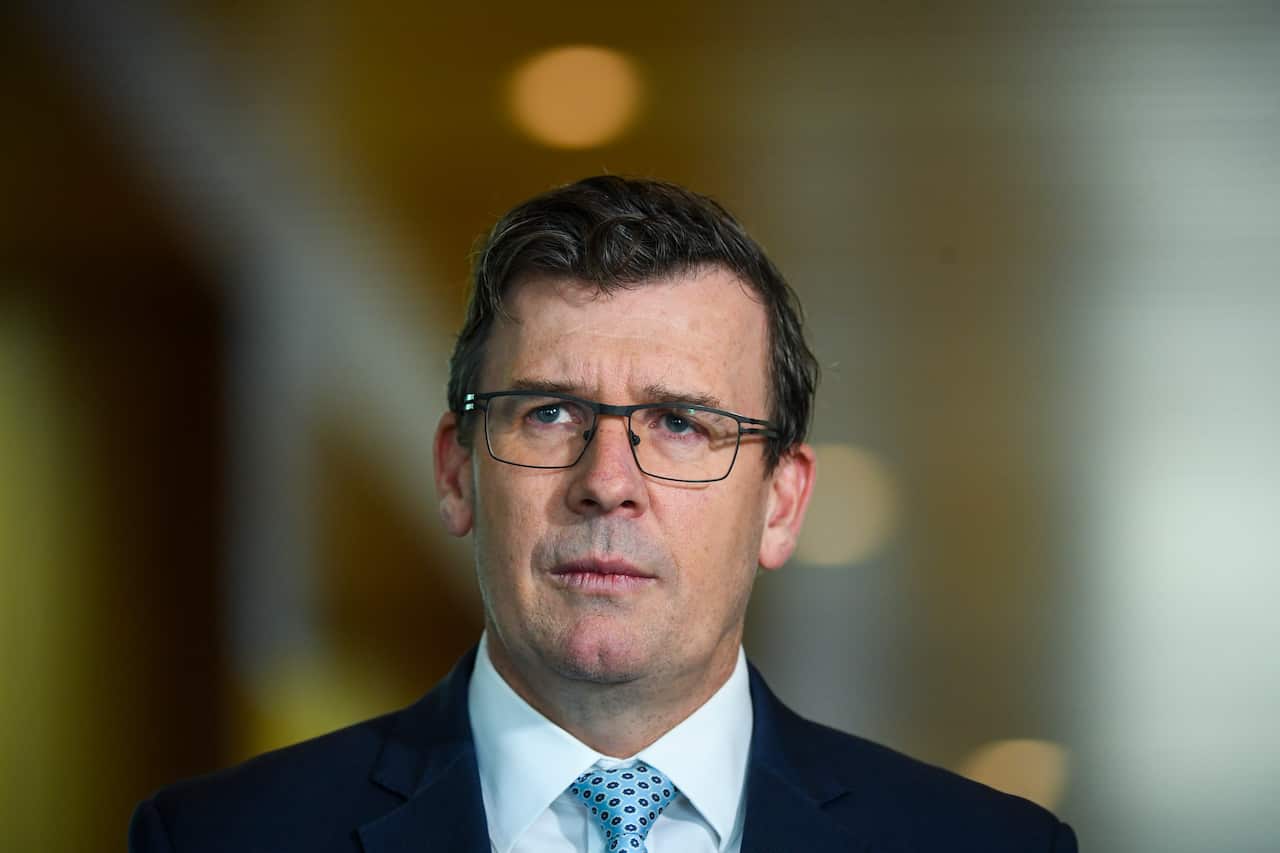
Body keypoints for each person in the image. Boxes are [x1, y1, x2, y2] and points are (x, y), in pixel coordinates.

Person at [129, 176, 1078, 852]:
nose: (608, 480)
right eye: (549, 412)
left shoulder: (986, 845)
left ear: (782, 502)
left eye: (680, 422)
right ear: (457, 473)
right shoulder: (220, 838)